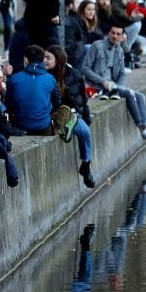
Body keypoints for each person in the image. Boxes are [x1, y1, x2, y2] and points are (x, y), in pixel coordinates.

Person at [81, 24, 146, 140]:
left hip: (112, 86)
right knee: (130, 94)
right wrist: (102, 81)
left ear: (122, 37)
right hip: (97, 86)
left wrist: (117, 88)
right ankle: (142, 129)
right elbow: (85, 68)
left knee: (141, 96)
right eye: (113, 33)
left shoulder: (119, 50)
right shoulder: (97, 46)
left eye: (118, 34)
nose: (115, 36)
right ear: (109, 33)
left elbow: (121, 73)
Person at [45, 45, 96, 188]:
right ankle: (65, 129)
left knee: (85, 131)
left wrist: (86, 116)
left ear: (58, 60)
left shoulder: (74, 74)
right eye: (44, 57)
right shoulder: (44, 76)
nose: (44, 61)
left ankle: (86, 164)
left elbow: (83, 99)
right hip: (54, 114)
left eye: (48, 58)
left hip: (73, 113)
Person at [6, 45, 61, 135]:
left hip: (20, 125)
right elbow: (57, 103)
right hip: (43, 126)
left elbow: (9, 104)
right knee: (65, 110)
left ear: (26, 59)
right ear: (42, 60)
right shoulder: (50, 79)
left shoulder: (14, 78)